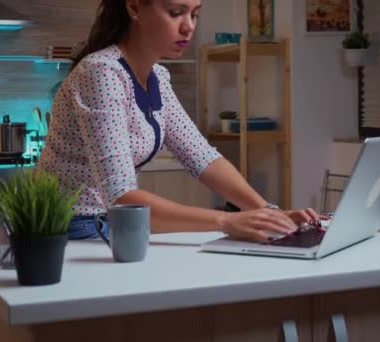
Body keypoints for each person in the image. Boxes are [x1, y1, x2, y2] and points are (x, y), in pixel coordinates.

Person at [37, 0, 325, 242]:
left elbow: (202, 158)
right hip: (68, 228)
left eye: (194, 13)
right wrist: (226, 221)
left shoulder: (157, 77)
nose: (189, 26)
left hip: (110, 225)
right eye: (176, 12)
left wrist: (270, 212)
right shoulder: (101, 73)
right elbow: (121, 195)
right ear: (135, 7)